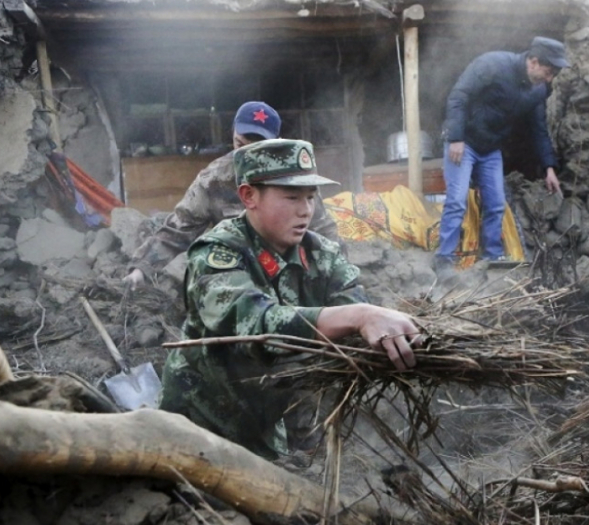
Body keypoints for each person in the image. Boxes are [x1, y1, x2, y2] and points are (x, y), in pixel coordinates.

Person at [159, 138, 421, 459]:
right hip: (201, 430)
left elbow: (352, 327)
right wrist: (360, 315)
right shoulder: (218, 253)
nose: (306, 210)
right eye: (292, 197)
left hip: (270, 420)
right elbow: (256, 325)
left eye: (311, 197)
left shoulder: (322, 255)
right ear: (248, 196)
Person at [124, 101, 340, 288]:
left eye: (256, 148)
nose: (244, 155)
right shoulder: (214, 179)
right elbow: (178, 229)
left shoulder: (293, 177)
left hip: (289, 274)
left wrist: (335, 275)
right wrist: (142, 269)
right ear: (233, 135)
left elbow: (324, 231)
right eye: (240, 145)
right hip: (236, 276)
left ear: (275, 143)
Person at [434, 36, 568, 274]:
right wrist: (455, 138)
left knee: (496, 204)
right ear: (534, 62)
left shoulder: (537, 90)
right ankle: (444, 259)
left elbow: (539, 129)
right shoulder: (492, 64)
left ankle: (492, 256)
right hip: (464, 142)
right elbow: (459, 96)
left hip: (490, 149)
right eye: (548, 72)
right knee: (456, 200)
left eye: (553, 75)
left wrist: (549, 167)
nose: (549, 80)